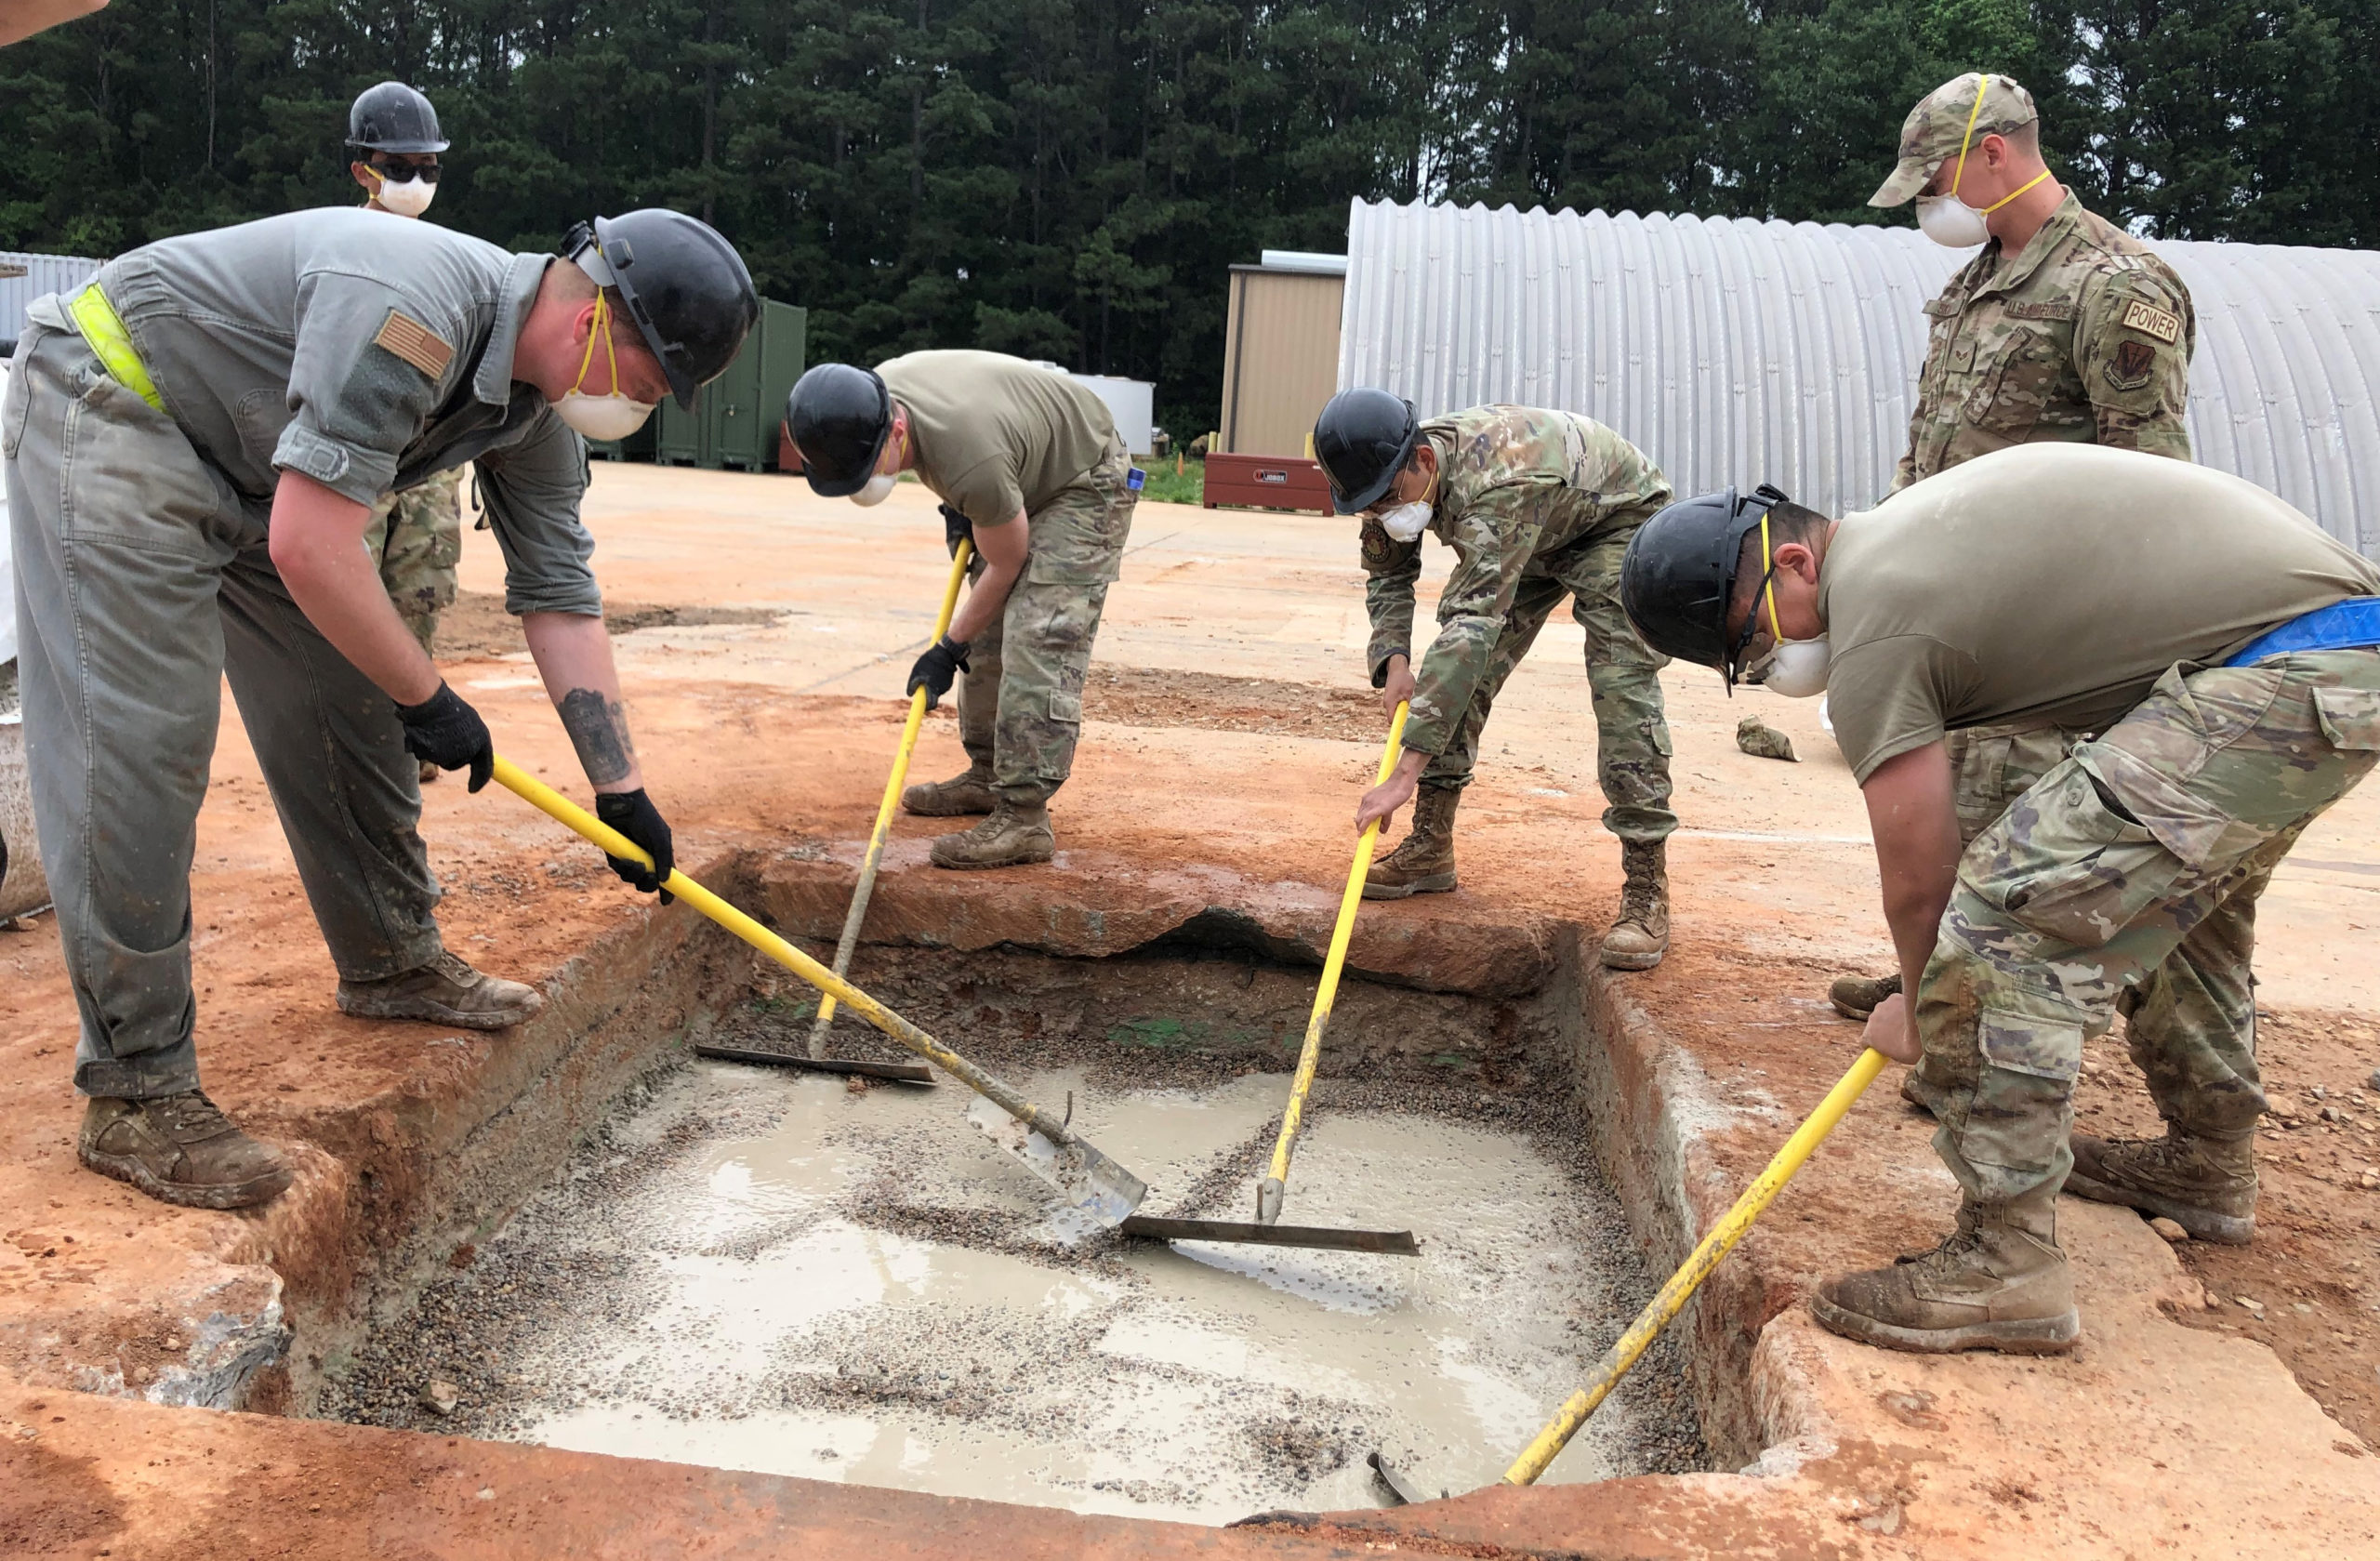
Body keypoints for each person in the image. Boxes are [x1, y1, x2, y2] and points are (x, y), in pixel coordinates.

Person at [3, 205, 758, 1209]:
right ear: (592, 326)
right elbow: (310, 545)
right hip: (120, 403)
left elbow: (560, 594)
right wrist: (431, 696)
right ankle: (136, 1088)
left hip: (259, 468)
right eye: (651, 388)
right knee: (145, 743)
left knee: (351, 706)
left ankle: (392, 962)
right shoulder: (412, 313)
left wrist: (622, 791)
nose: (641, 410)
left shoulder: (533, 408)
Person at [1620, 444, 2380, 1353]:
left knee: (2000, 915)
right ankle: (2206, 1164)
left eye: (1752, 639)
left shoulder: (1875, 619)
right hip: (2333, 653)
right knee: (2166, 905)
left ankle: (2006, 1263)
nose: (1769, 663)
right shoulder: (1904, 540)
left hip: (2290, 668)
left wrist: (1923, 1008)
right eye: (1746, 662)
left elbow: (1922, 881)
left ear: (1794, 562)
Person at [1829, 71, 2201, 1092]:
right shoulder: (1976, 281)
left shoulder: (2114, 285)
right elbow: (1936, 450)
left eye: (1933, 180)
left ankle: (1975, 1054)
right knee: (1952, 820)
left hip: (2047, 631)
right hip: (1959, 617)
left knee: (2031, 850)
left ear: (1993, 152)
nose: (1928, 204)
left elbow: (2148, 487)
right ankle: (1939, 984)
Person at [1313, 390, 1678, 970]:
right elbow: (1387, 574)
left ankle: (1646, 888)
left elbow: (1469, 629)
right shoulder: (1387, 477)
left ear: (1424, 461)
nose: (1381, 514)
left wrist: (1404, 774)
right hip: (1532, 531)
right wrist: (1394, 661)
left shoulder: (1495, 485)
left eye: (1386, 501)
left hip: (1611, 524)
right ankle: (1431, 845)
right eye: (1367, 507)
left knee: (1621, 686)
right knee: (1462, 677)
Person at [786, 351, 1137, 869]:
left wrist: (947, 650)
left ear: (897, 430)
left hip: (1085, 478)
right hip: (1014, 466)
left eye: (865, 468)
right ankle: (987, 773)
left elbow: (1008, 561)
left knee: (1038, 631)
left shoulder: (969, 458)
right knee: (987, 628)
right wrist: (960, 509)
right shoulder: (864, 402)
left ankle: (1024, 818)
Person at [347, 81, 466, 785]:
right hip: (357, 453)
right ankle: (350, 747)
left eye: (428, 167)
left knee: (420, 591)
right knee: (347, 599)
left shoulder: (446, 256)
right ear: (363, 171)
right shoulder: (339, 247)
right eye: (399, 167)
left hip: (429, 458)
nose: (416, 181)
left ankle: (408, 742)